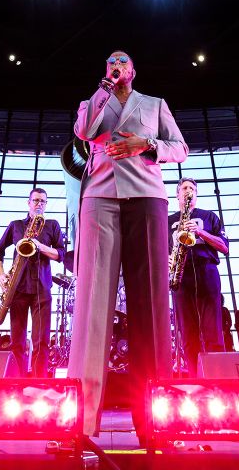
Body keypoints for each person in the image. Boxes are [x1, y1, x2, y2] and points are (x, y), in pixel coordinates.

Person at [69, 50, 188, 439]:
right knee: (92, 304)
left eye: (121, 64)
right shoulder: (92, 102)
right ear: (106, 72)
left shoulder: (155, 104)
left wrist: (145, 143)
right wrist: (101, 93)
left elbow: (180, 148)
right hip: (99, 197)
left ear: (133, 71)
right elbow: (85, 133)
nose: (115, 68)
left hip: (148, 197)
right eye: (109, 65)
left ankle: (155, 422)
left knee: (150, 304)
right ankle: (82, 420)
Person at [0, 188, 64, 377]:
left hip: (42, 288)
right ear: (29, 202)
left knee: (41, 340)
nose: (39, 204)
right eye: (36, 200)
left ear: (46, 204)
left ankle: (38, 383)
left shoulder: (52, 225)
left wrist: (39, 246)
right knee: (17, 341)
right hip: (17, 288)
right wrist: (1, 275)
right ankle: (16, 383)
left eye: (43, 201)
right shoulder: (15, 225)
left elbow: (61, 254)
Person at [168, 178, 229, 374]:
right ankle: (194, 377)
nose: (188, 191)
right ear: (177, 194)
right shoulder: (168, 220)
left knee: (213, 330)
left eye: (192, 189)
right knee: (187, 332)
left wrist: (201, 232)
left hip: (207, 272)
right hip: (180, 275)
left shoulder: (209, 216)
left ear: (196, 194)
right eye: (184, 188)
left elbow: (224, 246)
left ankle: (217, 378)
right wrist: (166, 261)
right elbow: (158, 248)